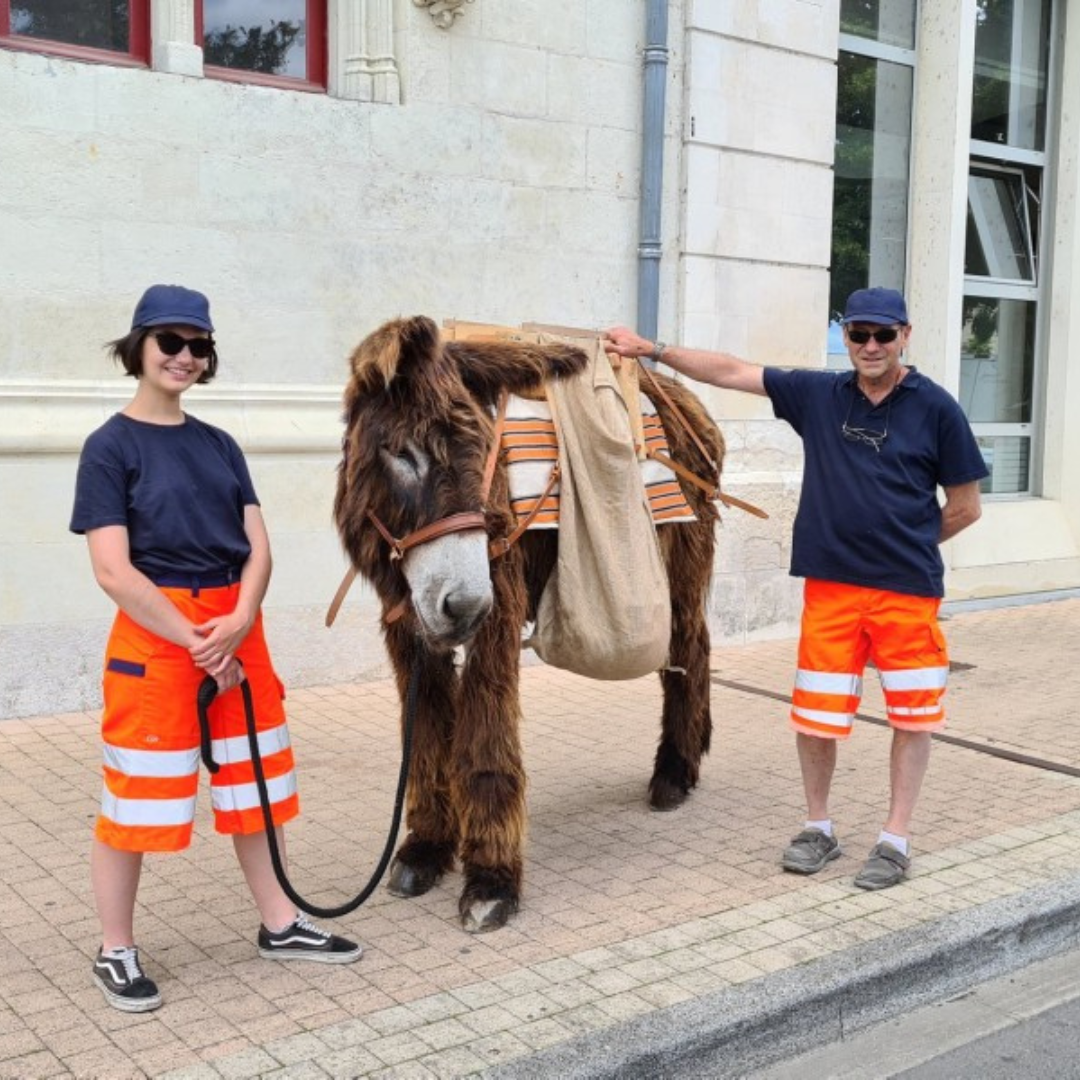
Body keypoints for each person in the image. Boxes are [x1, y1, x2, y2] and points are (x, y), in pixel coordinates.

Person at [605, 287, 988, 890]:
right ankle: (819, 827)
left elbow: (966, 507)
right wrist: (651, 349)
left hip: (907, 595)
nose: (869, 346)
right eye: (858, 333)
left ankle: (894, 838)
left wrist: (907, 543)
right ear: (846, 335)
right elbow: (733, 371)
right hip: (831, 592)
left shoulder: (936, 408)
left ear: (905, 336)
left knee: (913, 719)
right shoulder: (820, 394)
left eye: (883, 335)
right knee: (815, 719)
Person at [70, 285, 362, 1013]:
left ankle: (280, 923)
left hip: (236, 625)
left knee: (256, 786)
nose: (185, 357)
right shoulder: (110, 447)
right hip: (159, 634)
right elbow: (112, 568)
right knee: (136, 796)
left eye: (200, 346)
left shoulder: (219, 444)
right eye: (170, 341)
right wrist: (199, 642)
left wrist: (235, 622)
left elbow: (258, 547)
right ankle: (115, 948)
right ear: (137, 346)